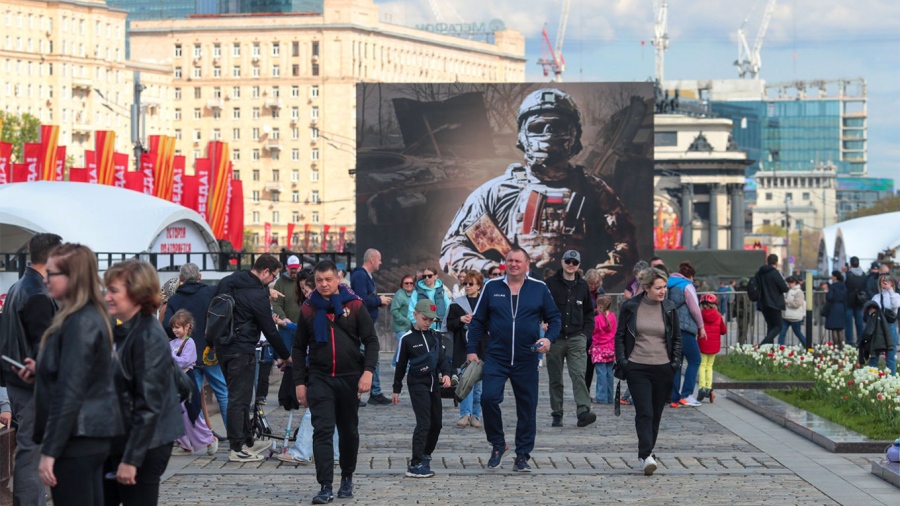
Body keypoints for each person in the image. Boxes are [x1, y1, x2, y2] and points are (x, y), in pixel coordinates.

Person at [440, 88, 639, 288]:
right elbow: (453, 247)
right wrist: (493, 271)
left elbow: (626, 246)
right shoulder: (496, 192)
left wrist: (591, 283)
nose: (547, 133)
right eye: (538, 126)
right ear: (523, 136)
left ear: (574, 134)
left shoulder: (594, 191)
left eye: (556, 126)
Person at [14, 243, 122, 506]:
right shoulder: (79, 316)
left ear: (72, 277)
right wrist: (43, 371)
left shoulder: (80, 321)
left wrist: (50, 451)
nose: (45, 278)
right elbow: (75, 372)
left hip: (78, 437)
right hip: (84, 435)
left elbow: (71, 390)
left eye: (53, 274)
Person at [465, 247, 561, 472]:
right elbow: (478, 321)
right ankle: (498, 444)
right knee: (488, 399)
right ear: (504, 263)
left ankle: (522, 455)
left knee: (527, 408)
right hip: (496, 357)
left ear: (527, 264)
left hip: (527, 358)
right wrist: (471, 350)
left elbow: (554, 318)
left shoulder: (539, 288)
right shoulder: (492, 287)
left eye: (518, 261)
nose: (513, 264)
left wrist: (548, 339)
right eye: (510, 260)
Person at [294, 260, 380, 504]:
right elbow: (299, 348)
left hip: (349, 377)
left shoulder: (353, 304)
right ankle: (325, 486)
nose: (323, 284)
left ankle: (347, 477)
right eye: (319, 280)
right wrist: (300, 383)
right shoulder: (308, 309)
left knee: (348, 431)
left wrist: (368, 372)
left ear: (338, 279)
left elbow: (371, 341)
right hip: (320, 378)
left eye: (328, 280)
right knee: (322, 431)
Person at [102, 260, 184, 505]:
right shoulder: (127, 330)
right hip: (125, 439)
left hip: (146, 444)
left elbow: (149, 404)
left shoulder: (147, 335)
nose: (107, 297)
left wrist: (131, 459)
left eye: (113, 291)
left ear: (137, 293)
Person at [0, 232, 61, 506]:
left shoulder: (20, 287)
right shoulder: (36, 293)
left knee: (30, 449)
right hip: (31, 384)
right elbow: (43, 348)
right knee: (32, 451)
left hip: (19, 382)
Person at [214, 254, 292, 462]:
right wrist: (285, 355)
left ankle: (248, 440)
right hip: (242, 348)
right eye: (273, 276)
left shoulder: (229, 281)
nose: (273, 281)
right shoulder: (257, 296)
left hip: (223, 346)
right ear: (265, 271)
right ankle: (237, 448)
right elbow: (270, 329)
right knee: (239, 399)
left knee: (237, 395)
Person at [615, 267, 682, 476]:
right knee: (644, 411)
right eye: (658, 288)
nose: (663, 291)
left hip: (663, 367)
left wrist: (675, 364)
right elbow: (619, 336)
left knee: (656, 413)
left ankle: (648, 452)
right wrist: (623, 361)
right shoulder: (630, 307)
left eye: (665, 287)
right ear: (646, 288)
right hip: (637, 366)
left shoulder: (670, 308)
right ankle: (646, 455)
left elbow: (677, 338)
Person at [392, 300, 453, 478]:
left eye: (431, 320)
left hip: (434, 384)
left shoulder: (435, 336)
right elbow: (401, 365)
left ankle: (426, 454)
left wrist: (447, 374)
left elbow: (442, 359)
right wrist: (396, 388)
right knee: (424, 423)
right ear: (416, 314)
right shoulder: (407, 339)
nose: (428, 323)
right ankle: (415, 462)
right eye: (425, 318)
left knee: (437, 423)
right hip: (417, 384)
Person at [162, 263, 228, 426]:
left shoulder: (175, 299)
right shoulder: (210, 293)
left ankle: (202, 436)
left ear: (181, 279)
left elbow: (165, 325)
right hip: (210, 350)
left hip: (188, 355)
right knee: (223, 392)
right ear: (199, 277)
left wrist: (179, 339)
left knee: (193, 397)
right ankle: (234, 433)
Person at [544, 250, 596, 427]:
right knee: (555, 378)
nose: (571, 264)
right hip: (555, 337)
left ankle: (583, 411)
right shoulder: (550, 283)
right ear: (562, 262)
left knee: (579, 375)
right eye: (568, 261)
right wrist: (543, 322)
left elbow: (589, 312)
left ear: (579, 265)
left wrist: (585, 334)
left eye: (575, 262)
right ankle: (557, 412)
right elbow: (540, 305)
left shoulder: (583, 286)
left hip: (576, 337)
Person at [169, 310, 219, 456]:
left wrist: (170, 357)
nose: (175, 330)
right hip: (175, 381)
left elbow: (185, 361)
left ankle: (209, 438)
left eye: (178, 327)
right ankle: (184, 444)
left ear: (187, 327)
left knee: (191, 413)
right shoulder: (172, 343)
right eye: (173, 327)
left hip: (186, 381)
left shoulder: (189, 343)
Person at [350, 248, 393, 406]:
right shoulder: (360, 275)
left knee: (373, 357)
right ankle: (363, 392)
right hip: (362, 324)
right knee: (368, 356)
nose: (381, 263)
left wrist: (376, 304)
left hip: (368, 322)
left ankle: (373, 391)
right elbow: (361, 300)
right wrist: (378, 301)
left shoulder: (364, 275)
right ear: (372, 260)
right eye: (379, 259)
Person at [446, 270, 486, 428]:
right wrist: (461, 320)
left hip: (482, 348)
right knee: (465, 381)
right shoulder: (457, 304)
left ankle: (476, 415)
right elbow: (448, 325)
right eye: (465, 284)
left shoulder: (484, 303)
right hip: (463, 347)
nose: (468, 286)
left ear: (479, 286)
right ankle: (465, 414)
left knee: (479, 386)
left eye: (471, 284)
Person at [667, 261, 705, 408]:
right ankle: (687, 394)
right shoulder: (687, 285)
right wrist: (701, 327)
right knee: (695, 359)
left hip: (671, 329)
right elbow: (695, 309)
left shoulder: (668, 284)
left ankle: (673, 398)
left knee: (677, 363)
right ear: (691, 276)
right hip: (685, 329)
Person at [270, 256, 305, 404]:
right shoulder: (280, 283)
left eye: (296, 268)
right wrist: (284, 319)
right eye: (291, 269)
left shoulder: (303, 281)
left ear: (300, 267)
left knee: (301, 358)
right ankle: (290, 393)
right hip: (286, 327)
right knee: (289, 360)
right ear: (286, 267)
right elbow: (276, 304)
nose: (294, 271)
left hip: (301, 327)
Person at [755, 254, 790, 346]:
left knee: (771, 326)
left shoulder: (760, 273)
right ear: (776, 262)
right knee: (778, 326)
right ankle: (762, 345)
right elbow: (784, 288)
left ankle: (769, 349)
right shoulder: (775, 273)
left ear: (767, 261)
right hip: (774, 302)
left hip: (763, 302)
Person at [698, 294, 726, 403]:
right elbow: (723, 331)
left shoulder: (700, 315)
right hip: (714, 346)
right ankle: (709, 387)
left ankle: (702, 387)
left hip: (702, 344)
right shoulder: (718, 316)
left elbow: (697, 328)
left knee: (702, 365)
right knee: (709, 366)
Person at [869, 274, 899, 375]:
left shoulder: (896, 295)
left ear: (892, 283)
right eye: (883, 281)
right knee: (874, 356)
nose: (885, 282)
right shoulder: (876, 297)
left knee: (890, 358)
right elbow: (871, 312)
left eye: (887, 281)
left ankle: (891, 382)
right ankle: (871, 379)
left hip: (890, 327)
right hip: (878, 328)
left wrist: (889, 290)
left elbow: (895, 305)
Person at [407, 265, 451, 332]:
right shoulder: (416, 292)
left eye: (429, 276)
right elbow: (411, 311)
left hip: (440, 329)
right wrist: (418, 325)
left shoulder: (442, 291)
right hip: (422, 330)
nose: (427, 278)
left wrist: (446, 323)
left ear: (436, 276)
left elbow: (449, 308)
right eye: (424, 276)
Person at [590, 295, 616, 404]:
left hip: (599, 349)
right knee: (610, 374)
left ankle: (601, 397)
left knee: (601, 374)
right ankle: (610, 396)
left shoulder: (597, 319)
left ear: (600, 307)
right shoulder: (613, 317)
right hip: (610, 348)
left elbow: (593, 332)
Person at [391, 275, 415, 367]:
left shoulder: (414, 294)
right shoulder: (399, 294)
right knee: (406, 345)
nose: (409, 285)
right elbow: (394, 310)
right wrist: (405, 321)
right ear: (402, 284)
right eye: (406, 283)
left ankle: (394, 364)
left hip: (410, 326)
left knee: (402, 346)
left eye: (411, 283)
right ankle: (398, 365)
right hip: (400, 326)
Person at [844, 256, 868, 347]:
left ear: (850, 264)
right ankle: (860, 340)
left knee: (849, 323)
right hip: (860, 301)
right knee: (859, 323)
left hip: (849, 301)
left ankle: (849, 341)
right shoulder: (863, 274)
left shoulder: (848, 274)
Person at [780, 276, 808, 348]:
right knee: (782, 333)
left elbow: (797, 304)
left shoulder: (799, 292)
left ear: (795, 282)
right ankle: (780, 347)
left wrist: (786, 301)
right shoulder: (786, 291)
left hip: (795, 317)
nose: (789, 285)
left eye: (790, 283)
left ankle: (807, 345)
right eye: (788, 283)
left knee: (798, 333)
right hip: (786, 316)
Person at [825, 270, 848, 346]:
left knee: (834, 328)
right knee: (840, 328)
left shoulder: (833, 286)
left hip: (834, 308)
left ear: (835, 277)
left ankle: (836, 345)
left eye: (832, 275)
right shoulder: (844, 285)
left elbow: (829, 297)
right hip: (842, 307)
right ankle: (841, 345)